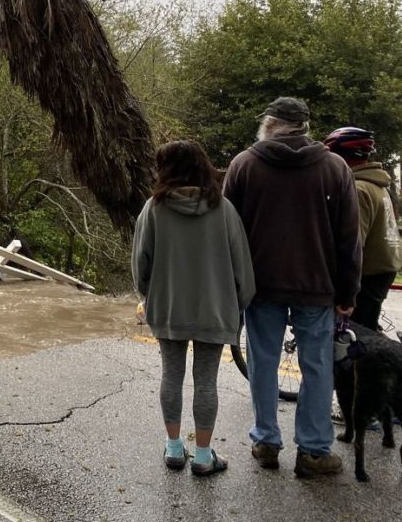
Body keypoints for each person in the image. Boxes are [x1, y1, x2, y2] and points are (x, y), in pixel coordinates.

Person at [223, 97, 361, 477]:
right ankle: (315, 451)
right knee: (317, 366)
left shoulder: (244, 166)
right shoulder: (334, 168)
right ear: (304, 126)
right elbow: (349, 239)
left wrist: (231, 286)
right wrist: (348, 293)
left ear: (269, 124)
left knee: (263, 363)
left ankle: (266, 441)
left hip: (260, 286)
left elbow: (226, 234)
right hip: (316, 286)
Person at [133, 140, 256, 476]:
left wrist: (152, 295)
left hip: (170, 308)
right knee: (206, 381)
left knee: (171, 375)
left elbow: (140, 265)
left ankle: (174, 449)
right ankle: (203, 456)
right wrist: (239, 304)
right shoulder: (224, 209)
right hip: (214, 310)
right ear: (203, 166)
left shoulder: (153, 209)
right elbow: (242, 268)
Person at [324, 127, 401, 331]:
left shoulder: (358, 189)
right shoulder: (377, 184)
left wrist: (344, 289)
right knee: (366, 327)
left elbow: (353, 242)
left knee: (352, 338)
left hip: (367, 272)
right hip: (384, 268)